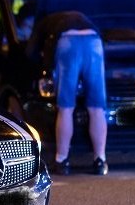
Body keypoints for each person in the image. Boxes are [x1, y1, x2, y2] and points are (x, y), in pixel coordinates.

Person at [27, 11, 108, 175]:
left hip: (68, 43)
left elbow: (30, 53)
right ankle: (100, 160)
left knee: (66, 108)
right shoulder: (82, 17)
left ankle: (61, 160)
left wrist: (44, 62)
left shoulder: (44, 22)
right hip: (94, 42)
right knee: (96, 108)